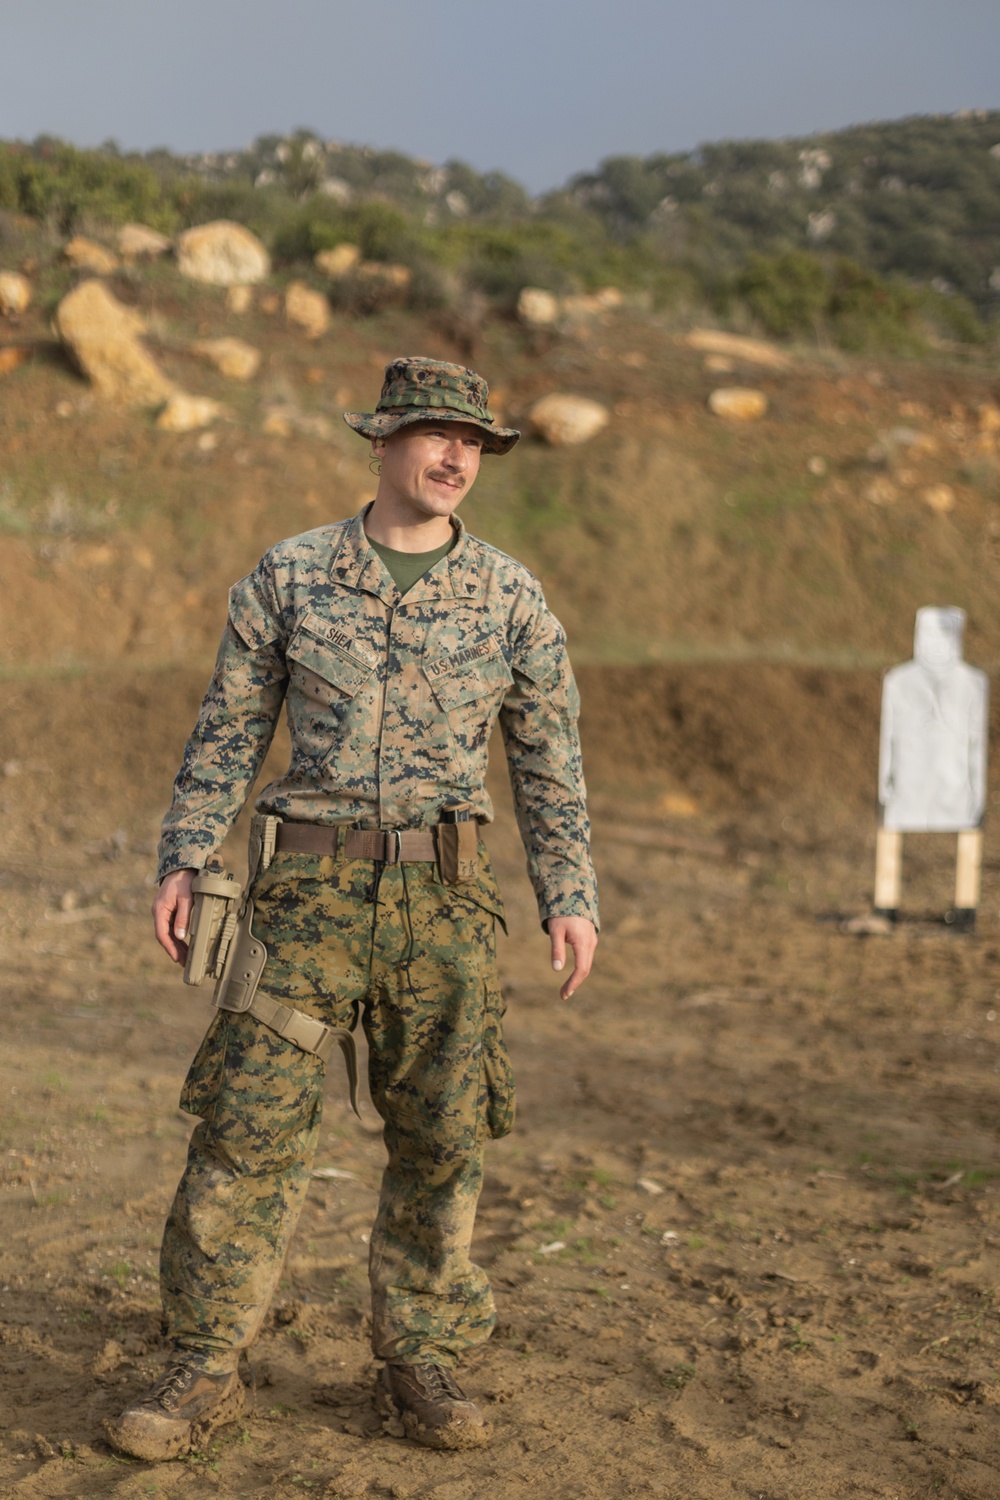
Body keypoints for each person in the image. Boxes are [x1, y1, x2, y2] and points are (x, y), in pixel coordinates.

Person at [107, 357, 599, 1461]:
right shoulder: (289, 577)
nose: (455, 457)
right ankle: (203, 1364)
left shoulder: (512, 597)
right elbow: (229, 730)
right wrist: (185, 856)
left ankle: (420, 1356)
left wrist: (570, 896)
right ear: (381, 442)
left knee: (440, 1137)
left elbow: (548, 759)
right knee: (246, 1131)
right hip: (301, 901)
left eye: (473, 442)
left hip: (447, 902)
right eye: (433, 434)